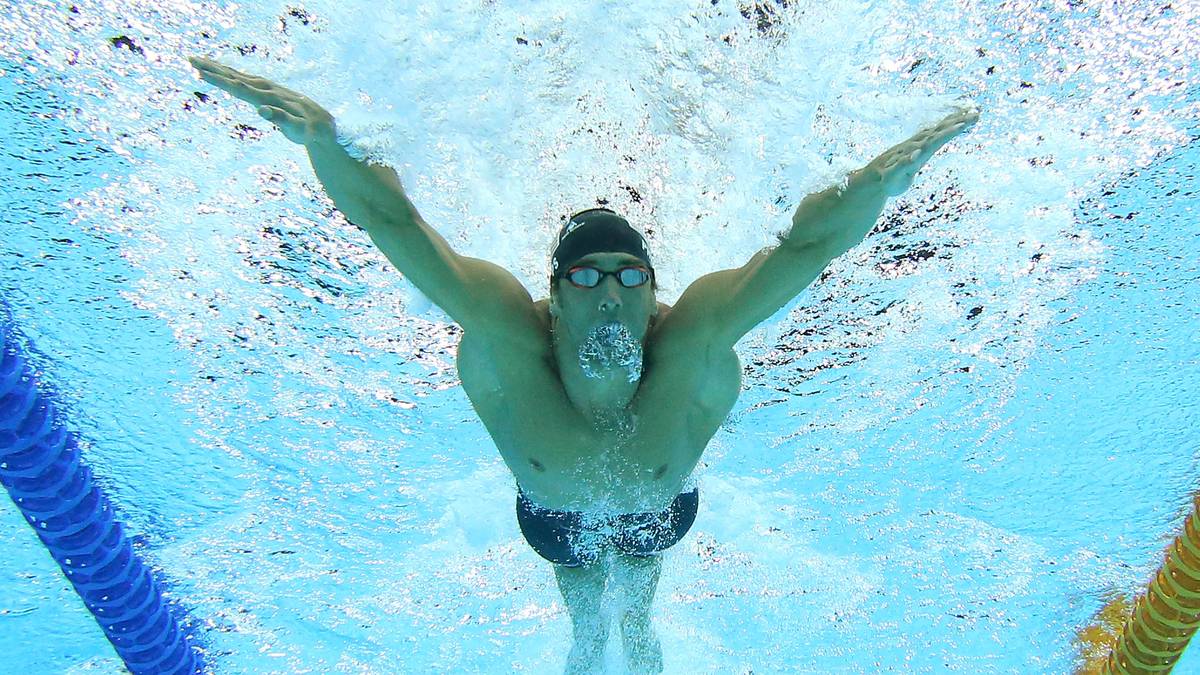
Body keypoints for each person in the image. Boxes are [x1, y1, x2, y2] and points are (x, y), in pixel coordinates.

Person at [189, 55, 978, 674]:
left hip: (661, 507)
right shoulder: (506, 329)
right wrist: (326, 142)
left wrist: (880, 180)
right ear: (554, 293)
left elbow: (806, 244)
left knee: (636, 616)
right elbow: (393, 220)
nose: (609, 293)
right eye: (587, 275)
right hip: (556, 518)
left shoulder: (695, 332)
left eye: (629, 276)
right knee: (583, 617)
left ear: (654, 291)